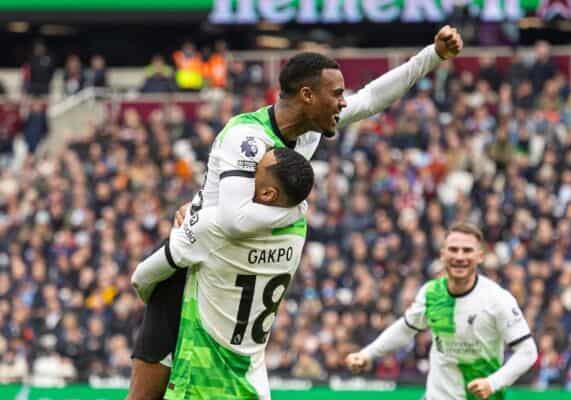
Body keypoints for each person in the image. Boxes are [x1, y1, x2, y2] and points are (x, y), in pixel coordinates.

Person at [129, 25, 463, 400]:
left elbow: (370, 99)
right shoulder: (248, 140)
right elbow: (234, 222)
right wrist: (298, 211)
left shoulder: (310, 130)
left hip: (235, 274)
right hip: (196, 268)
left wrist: (432, 56)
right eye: (336, 94)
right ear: (307, 95)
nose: (342, 102)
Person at [129, 148, 314, 399]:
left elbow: (141, 277)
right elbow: (298, 206)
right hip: (251, 385)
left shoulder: (214, 226)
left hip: (203, 383)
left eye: (254, 172)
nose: (244, 175)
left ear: (268, 193)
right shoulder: (297, 229)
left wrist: (193, 218)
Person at [346, 223, 538, 400]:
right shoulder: (432, 293)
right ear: (442, 254)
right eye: (453, 250)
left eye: (467, 250)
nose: (460, 256)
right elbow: (405, 329)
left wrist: (492, 382)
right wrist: (366, 354)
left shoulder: (498, 300)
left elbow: (528, 352)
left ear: (480, 256)